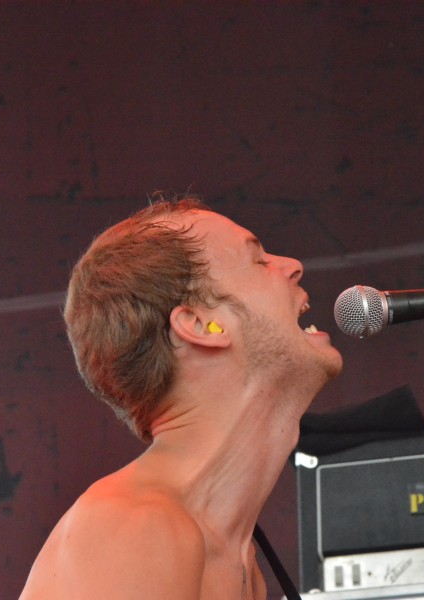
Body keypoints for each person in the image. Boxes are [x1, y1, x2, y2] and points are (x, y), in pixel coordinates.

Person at [19, 195, 343, 599]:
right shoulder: (137, 527)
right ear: (199, 325)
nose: (293, 266)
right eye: (259, 261)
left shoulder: (241, 565)